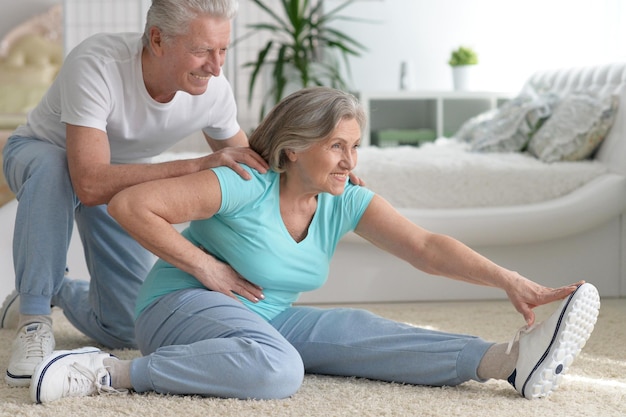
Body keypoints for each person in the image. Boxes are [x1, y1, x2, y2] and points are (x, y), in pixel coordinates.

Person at [29, 87, 600, 404]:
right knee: (278, 371)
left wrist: (509, 281)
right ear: (295, 148)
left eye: (356, 146)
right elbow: (132, 205)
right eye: (337, 146)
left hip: (264, 314)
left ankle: (507, 362)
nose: (351, 162)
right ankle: (105, 371)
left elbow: (425, 246)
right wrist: (207, 267)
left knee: (354, 329)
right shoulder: (244, 183)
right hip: (179, 308)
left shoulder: (343, 198)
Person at [0, 0, 271, 388]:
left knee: (125, 326)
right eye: (201, 51)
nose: (216, 66)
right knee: (54, 167)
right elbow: (89, 183)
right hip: (44, 154)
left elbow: (250, 168)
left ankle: (56, 290)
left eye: (222, 50)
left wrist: (328, 177)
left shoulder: (214, 91)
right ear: (157, 39)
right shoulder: (98, 64)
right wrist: (195, 164)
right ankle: (34, 315)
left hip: (120, 178)